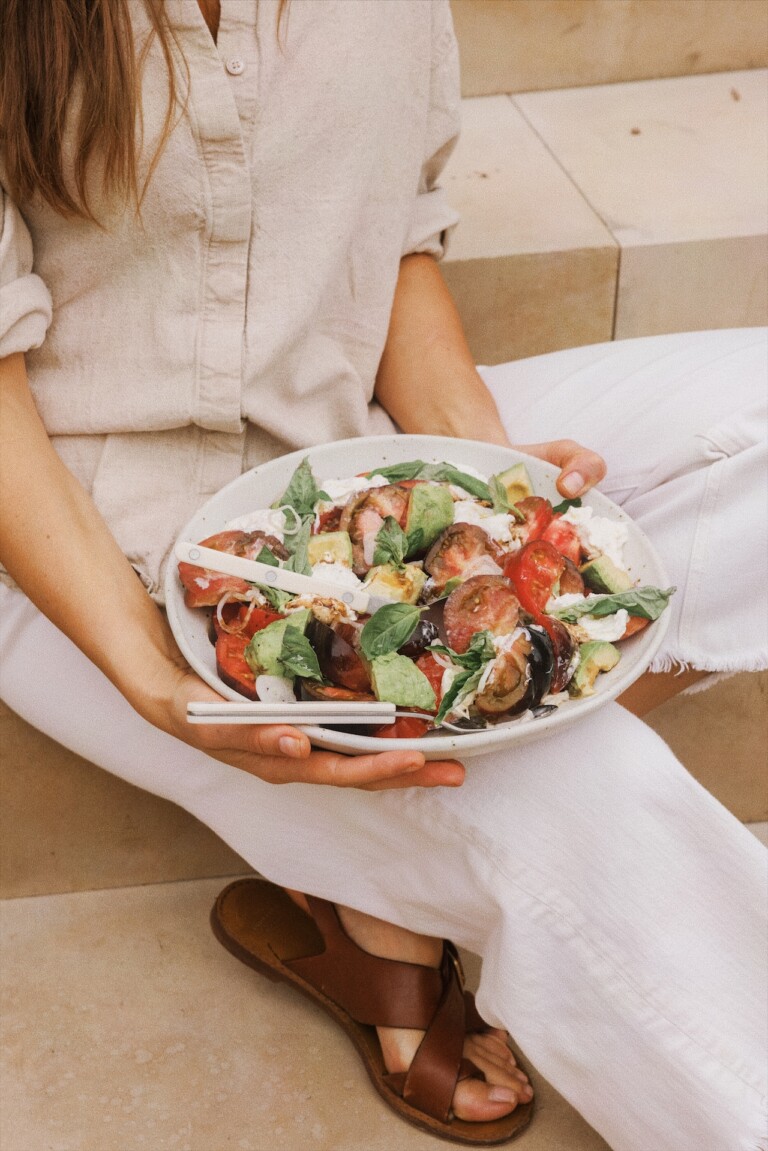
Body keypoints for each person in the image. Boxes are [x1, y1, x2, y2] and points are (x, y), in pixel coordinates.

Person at [0, 1, 765, 1147]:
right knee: (591, 790)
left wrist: (488, 480)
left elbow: (387, 242)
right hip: (89, 555)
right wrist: (160, 687)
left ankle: (404, 849)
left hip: (349, 466)